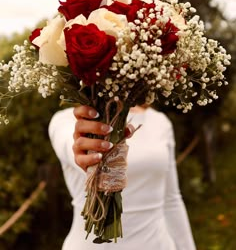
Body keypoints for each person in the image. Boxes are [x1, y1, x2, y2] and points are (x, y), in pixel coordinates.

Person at [48, 104, 197, 250]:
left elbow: (171, 200)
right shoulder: (66, 121)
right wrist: (86, 154)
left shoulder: (159, 121)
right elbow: (75, 150)